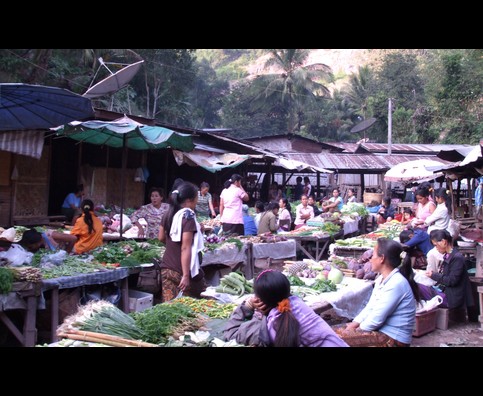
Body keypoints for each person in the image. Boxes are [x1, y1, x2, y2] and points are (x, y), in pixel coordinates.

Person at [223, 270, 349, 347]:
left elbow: (230, 333)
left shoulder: (267, 328)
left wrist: (247, 306)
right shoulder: (300, 305)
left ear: (260, 300)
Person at [338, 238, 421, 347]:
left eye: (373, 255)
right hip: (381, 331)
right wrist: (354, 323)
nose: (370, 259)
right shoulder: (382, 279)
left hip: (394, 339)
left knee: (334, 339)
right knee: (328, 332)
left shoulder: (396, 283)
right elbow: (370, 307)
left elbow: (376, 320)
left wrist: (355, 331)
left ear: (382, 258)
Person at [158, 181, 206, 302]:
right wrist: (185, 275)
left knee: (169, 308)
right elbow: (185, 248)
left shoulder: (168, 213)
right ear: (189, 200)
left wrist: (172, 245)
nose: (197, 201)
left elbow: (161, 238)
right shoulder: (188, 217)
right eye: (197, 197)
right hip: (181, 271)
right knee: (193, 306)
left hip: (167, 268)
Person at [418, 229, 474, 315]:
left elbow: (452, 280)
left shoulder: (457, 258)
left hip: (452, 298)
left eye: (436, 245)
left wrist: (434, 275)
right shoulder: (449, 256)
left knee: (418, 287)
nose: (436, 248)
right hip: (447, 292)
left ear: (444, 242)